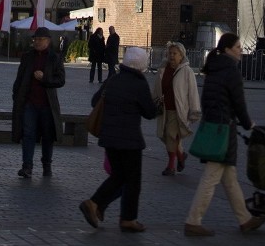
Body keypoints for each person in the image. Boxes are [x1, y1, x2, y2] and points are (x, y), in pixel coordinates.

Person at [183, 32, 265, 237]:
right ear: (228, 49)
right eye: (237, 47)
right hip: (223, 129)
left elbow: (209, 99)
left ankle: (244, 219)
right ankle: (193, 220)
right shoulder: (231, 71)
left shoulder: (214, 68)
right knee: (212, 176)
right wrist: (248, 124)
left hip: (214, 125)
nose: (241, 51)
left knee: (229, 177)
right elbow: (238, 102)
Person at [79, 46, 159, 233]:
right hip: (129, 139)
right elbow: (149, 112)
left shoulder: (113, 79)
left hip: (109, 138)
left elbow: (95, 101)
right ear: (141, 65)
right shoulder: (139, 83)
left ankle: (96, 204)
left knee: (119, 176)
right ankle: (125, 217)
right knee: (133, 180)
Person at [11, 27, 66, 179]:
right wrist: (16, 95)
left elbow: (61, 80)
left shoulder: (54, 58)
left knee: (48, 136)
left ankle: (46, 165)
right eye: (35, 39)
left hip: (47, 104)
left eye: (40, 39)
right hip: (29, 103)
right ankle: (27, 166)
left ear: (48, 41)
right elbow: (20, 78)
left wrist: (45, 79)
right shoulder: (28, 57)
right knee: (28, 134)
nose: (37, 42)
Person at [151, 41, 200, 175]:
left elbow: (192, 92)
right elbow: (157, 87)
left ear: (181, 55)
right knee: (164, 136)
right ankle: (180, 155)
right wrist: (153, 100)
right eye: (170, 53)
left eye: (175, 53)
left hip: (178, 110)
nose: (172, 56)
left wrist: (194, 110)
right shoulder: (163, 69)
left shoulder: (186, 71)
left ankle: (171, 166)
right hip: (164, 108)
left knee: (171, 135)